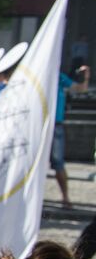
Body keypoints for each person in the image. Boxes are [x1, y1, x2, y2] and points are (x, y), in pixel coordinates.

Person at [52, 61, 89, 209]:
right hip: (40, 124)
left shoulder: (59, 77)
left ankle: (65, 197)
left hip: (57, 125)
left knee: (58, 162)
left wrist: (86, 76)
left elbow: (81, 89)